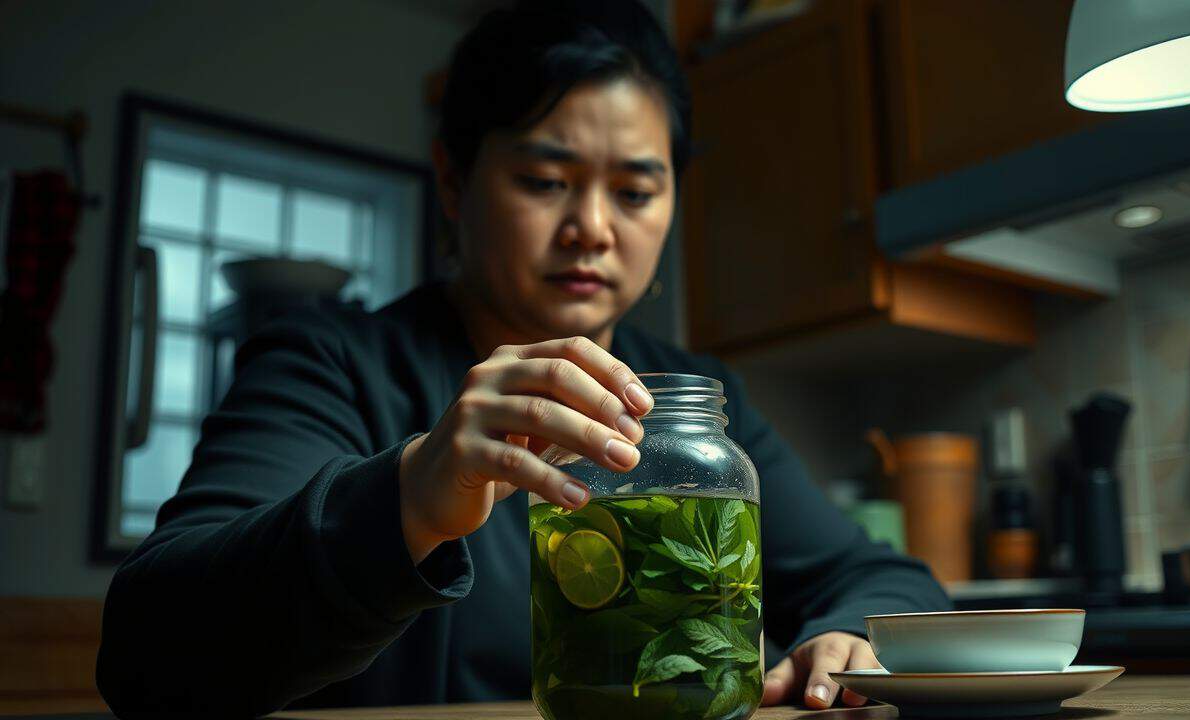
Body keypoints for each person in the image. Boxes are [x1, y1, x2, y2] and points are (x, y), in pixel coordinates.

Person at [96, 1, 949, 716]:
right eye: (546, 181)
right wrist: (413, 494)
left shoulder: (697, 407)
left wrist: (851, 636)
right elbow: (146, 649)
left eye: (637, 191)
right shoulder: (331, 361)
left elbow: (878, 576)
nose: (594, 228)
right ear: (455, 184)